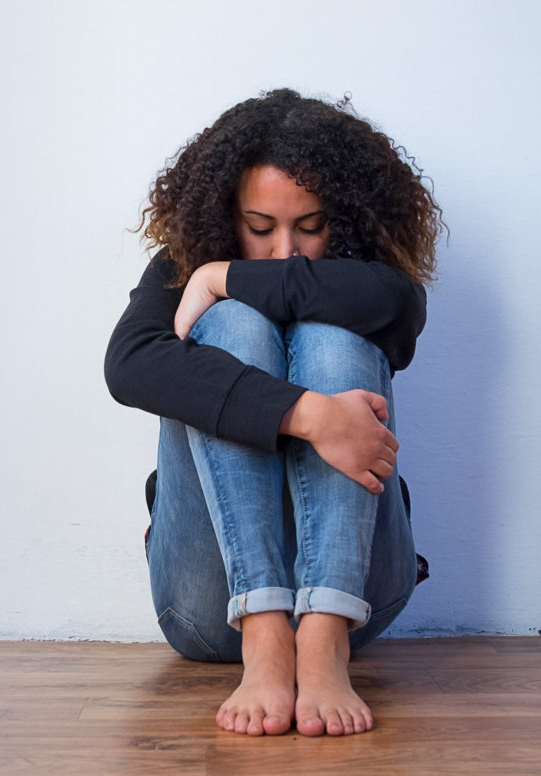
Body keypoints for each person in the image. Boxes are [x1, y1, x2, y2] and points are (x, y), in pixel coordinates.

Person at [104, 88, 442, 737]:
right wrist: (310, 414)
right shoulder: (180, 264)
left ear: (341, 216)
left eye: (308, 227)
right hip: (209, 607)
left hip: (361, 599)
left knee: (333, 332)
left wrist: (223, 277)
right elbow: (130, 365)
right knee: (229, 329)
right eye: (259, 230)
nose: (284, 250)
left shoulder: (372, 278)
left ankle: (321, 636)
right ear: (226, 214)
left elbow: (398, 302)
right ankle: (263, 630)